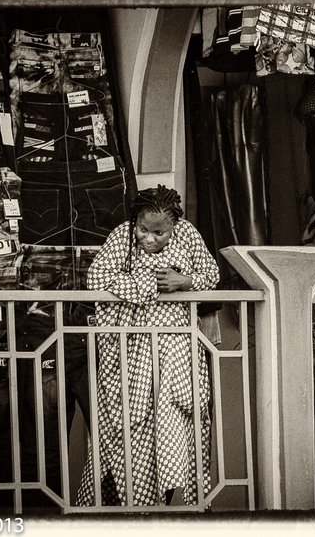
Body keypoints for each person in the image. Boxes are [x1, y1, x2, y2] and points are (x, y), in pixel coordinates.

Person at [76, 185, 220, 507]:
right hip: (129, 347)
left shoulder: (188, 235)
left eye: (159, 232)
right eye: (144, 229)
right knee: (129, 424)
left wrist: (185, 282)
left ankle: (163, 503)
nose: (149, 239)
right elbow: (97, 278)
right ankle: (134, 505)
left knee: (169, 420)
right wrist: (149, 285)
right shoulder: (121, 236)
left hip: (176, 345)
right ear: (135, 220)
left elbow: (211, 274)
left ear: (174, 226)